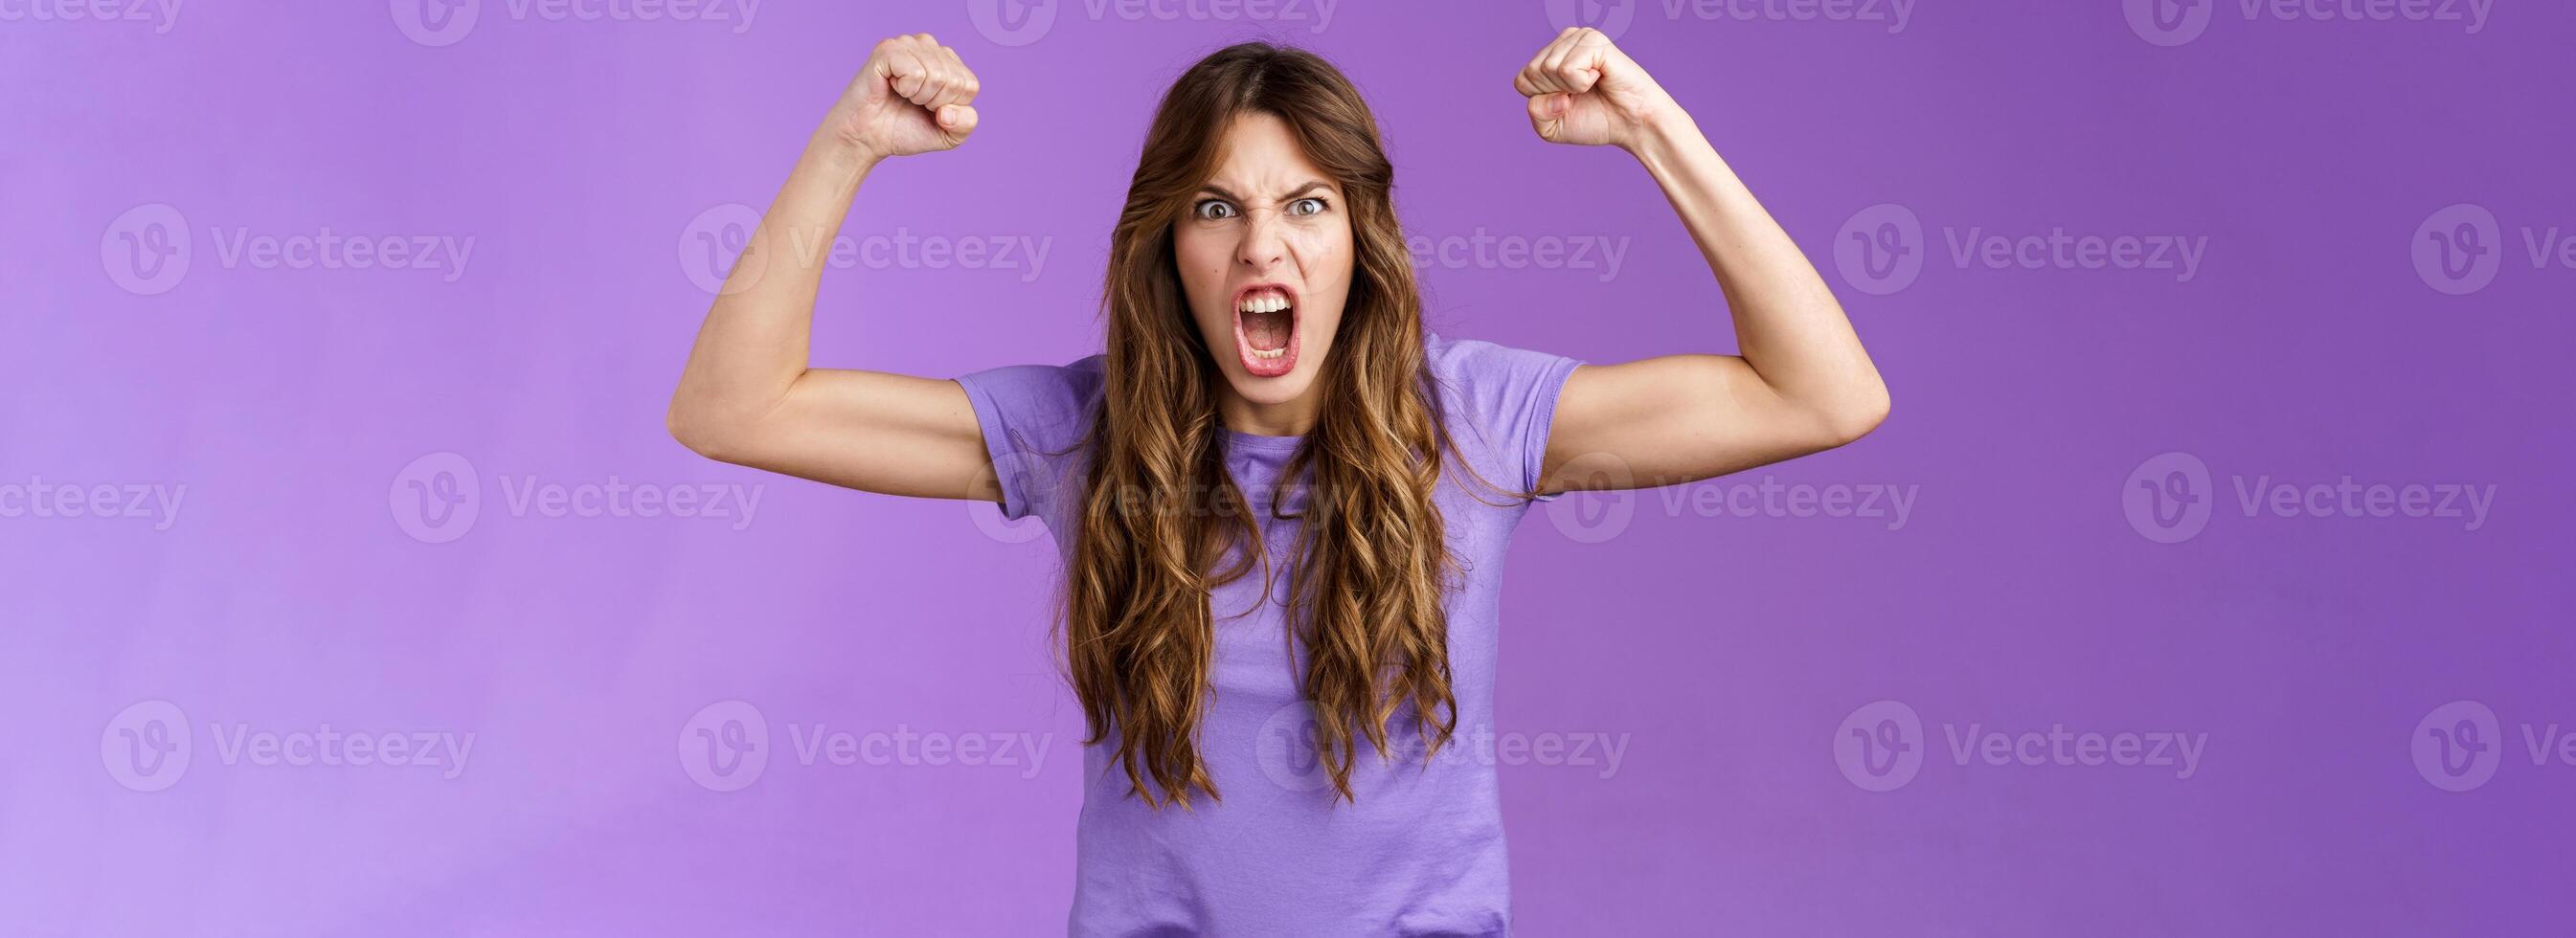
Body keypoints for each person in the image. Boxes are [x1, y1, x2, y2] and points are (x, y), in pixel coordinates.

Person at [667, 28, 1888, 936]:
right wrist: (848, 145)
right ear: (1169, 248)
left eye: (1307, 204)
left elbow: (1824, 393)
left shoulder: (1471, 422)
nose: (1263, 244)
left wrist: (1648, 129)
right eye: (1217, 208)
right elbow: (732, 408)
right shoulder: (1080, 436)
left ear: (1359, 242)